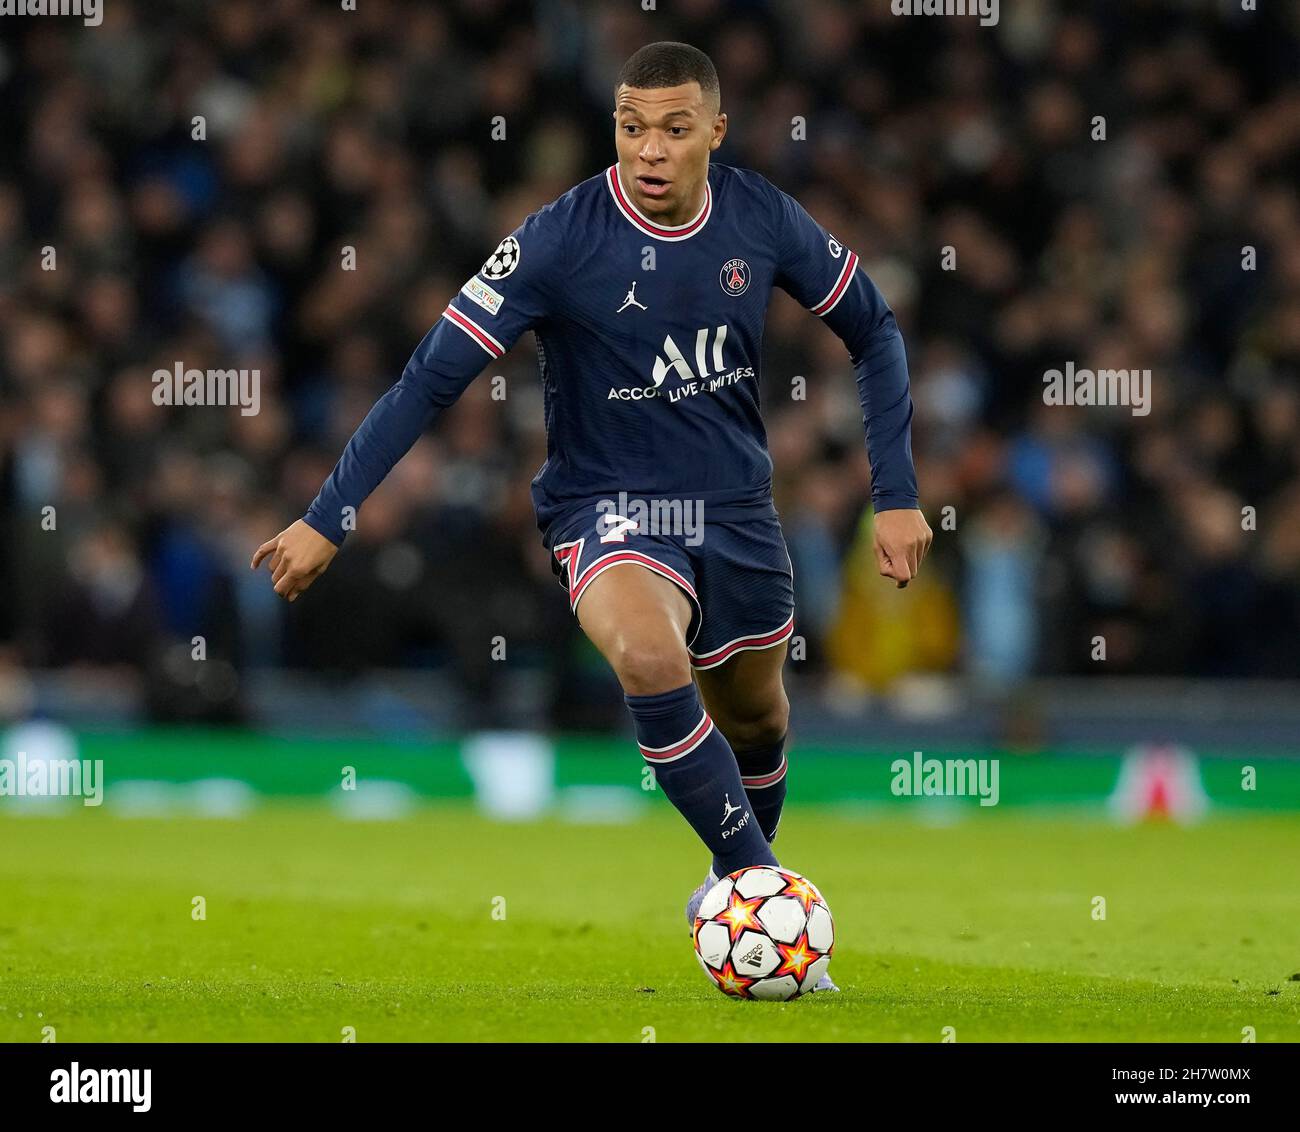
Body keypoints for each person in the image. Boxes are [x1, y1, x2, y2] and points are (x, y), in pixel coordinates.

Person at [252, 41, 932, 994]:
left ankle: (739, 877)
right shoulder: (559, 239)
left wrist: (895, 494)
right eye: (630, 127)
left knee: (757, 715)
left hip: (734, 509)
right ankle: (753, 885)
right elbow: (429, 378)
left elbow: (875, 330)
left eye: (673, 129)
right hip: (605, 509)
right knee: (650, 659)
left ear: (716, 134)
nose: (648, 150)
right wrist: (330, 514)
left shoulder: (760, 216)